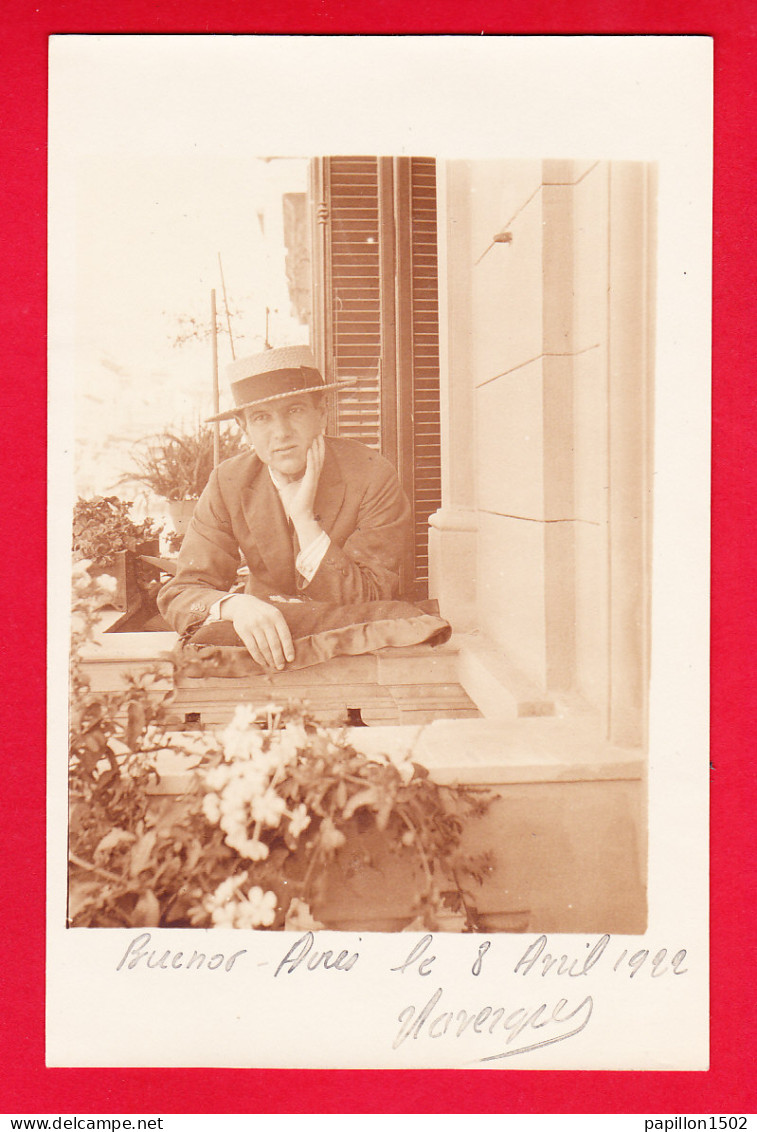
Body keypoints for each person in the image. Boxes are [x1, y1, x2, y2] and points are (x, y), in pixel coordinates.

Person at [157, 345, 424, 672]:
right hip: (263, 656)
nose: (281, 432)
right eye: (261, 417)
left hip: (351, 659)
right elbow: (182, 593)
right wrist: (236, 605)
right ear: (245, 429)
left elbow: (371, 599)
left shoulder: (371, 473)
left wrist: (304, 520)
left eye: (294, 410)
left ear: (322, 413)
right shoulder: (229, 481)